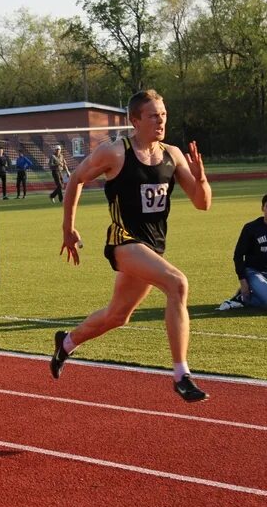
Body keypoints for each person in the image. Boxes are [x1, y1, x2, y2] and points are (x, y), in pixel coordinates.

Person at [52, 89, 213, 402]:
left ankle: (67, 342)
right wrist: (68, 228)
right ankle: (182, 374)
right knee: (177, 284)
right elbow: (76, 179)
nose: (161, 121)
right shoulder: (115, 151)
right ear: (135, 120)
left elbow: (201, 203)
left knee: (117, 315)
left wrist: (201, 178)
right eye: (153, 116)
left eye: (163, 115)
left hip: (153, 247)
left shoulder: (173, 154)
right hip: (123, 241)